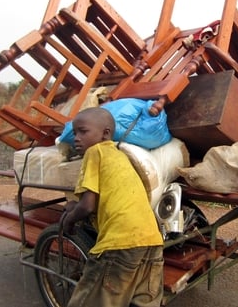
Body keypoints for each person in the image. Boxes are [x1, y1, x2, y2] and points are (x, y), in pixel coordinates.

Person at [61, 107, 164, 307]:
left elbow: (88, 205)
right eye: (74, 133)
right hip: (151, 240)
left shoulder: (95, 152)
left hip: (120, 243)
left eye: (83, 131)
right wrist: (76, 205)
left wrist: (70, 219)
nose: (76, 138)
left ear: (105, 133)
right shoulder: (120, 156)